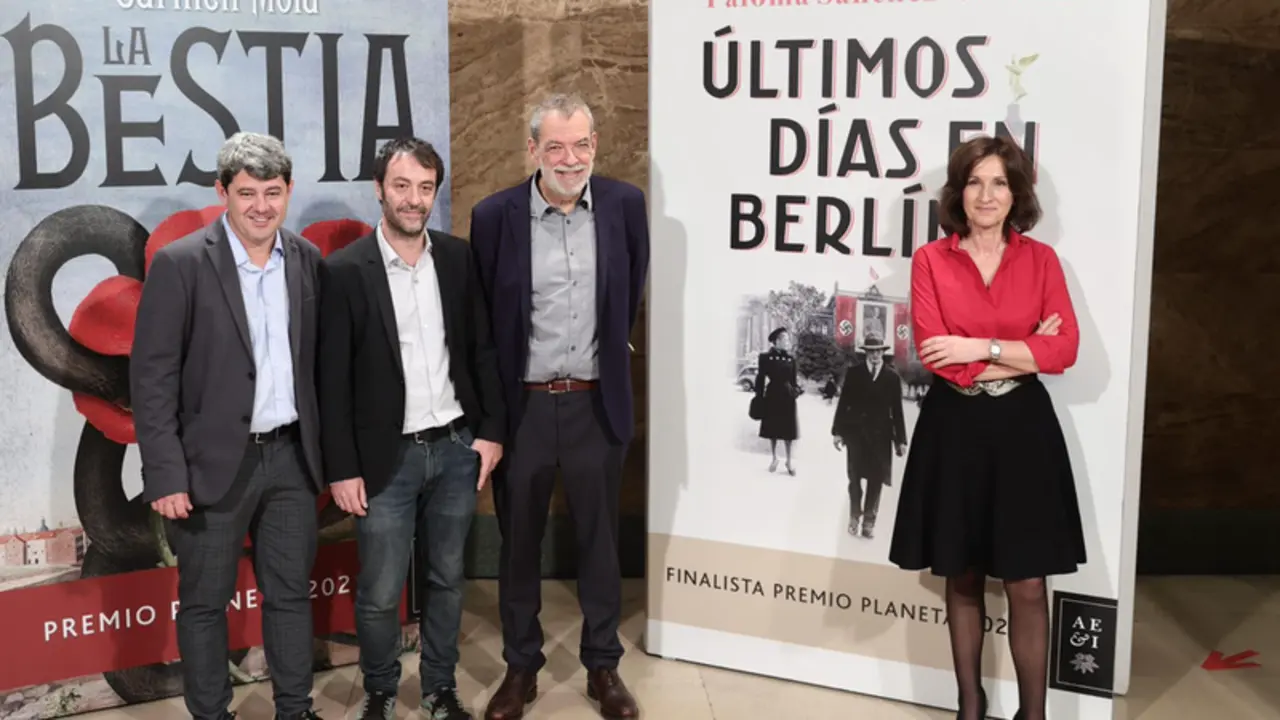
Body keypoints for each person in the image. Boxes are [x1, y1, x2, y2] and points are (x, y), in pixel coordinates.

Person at [888, 135, 1086, 720]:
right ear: (958, 191)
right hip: (956, 428)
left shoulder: (1042, 261)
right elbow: (934, 354)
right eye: (975, 181)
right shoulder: (930, 260)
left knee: (1028, 584)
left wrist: (982, 345)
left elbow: (1065, 349)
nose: (987, 194)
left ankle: (1033, 715)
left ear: (1017, 192)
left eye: (999, 182)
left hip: (1024, 429)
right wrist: (1027, 346)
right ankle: (968, 706)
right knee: (964, 572)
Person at [131, 132, 325, 720]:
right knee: (204, 604)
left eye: (272, 191)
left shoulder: (307, 261)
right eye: (247, 193)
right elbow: (153, 378)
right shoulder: (181, 263)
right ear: (222, 192)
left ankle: (296, 710)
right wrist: (165, 475)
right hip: (211, 467)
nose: (261, 206)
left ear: (289, 191)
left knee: (290, 597)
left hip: (292, 459)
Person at [469, 93, 649, 720]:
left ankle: (604, 667)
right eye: (555, 147)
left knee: (600, 542)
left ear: (595, 145)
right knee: (518, 543)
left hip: (596, 405)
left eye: (581, 145)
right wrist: (493, 418)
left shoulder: (626, 206)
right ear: (532, 150)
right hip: (523, 407)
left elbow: (628, 298)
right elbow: (487, 326)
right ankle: (522, 668)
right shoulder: (494, 216)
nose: (569, 159)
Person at [316, 137, 506, 720]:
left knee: (448, 579)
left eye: (426, 188)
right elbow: (332, 380)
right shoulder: (345, 272)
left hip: (454, 448)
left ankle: (440, 690)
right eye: (402, 186)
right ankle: (378, 691)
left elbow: (481, 350)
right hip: (384, 461)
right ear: (379, 189)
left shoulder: (456, 257)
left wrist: (490, 431)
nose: (414, 199)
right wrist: (342, 467)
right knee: (378, 590)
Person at [831, 334, 907, 539]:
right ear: (866, 352)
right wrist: (837, 432)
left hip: (881, 437)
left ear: (883, 352)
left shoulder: (892, 377)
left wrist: (900, 440)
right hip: (855, 434)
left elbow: (897, 410)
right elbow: (843, 403)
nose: (875, 355)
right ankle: (855, 516)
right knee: (854, 478)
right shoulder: (854, 373)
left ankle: (869, 522)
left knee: (876, 479)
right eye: (871, 351)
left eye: (878, 351)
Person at [753, 327, 799, 474]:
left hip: (788, 397)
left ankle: (789, 461)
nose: (787, 341)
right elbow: (760, 378)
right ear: (777, 341)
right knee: (773, 429)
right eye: (784, 338)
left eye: (787, 338)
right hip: (772, 395)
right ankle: (774, 458)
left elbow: (793, 380)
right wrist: (758, 397)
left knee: (789, 432)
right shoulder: (765, 358)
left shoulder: (791, 359)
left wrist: (796, 390)